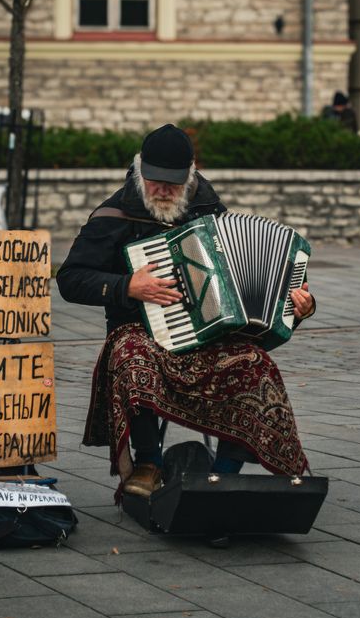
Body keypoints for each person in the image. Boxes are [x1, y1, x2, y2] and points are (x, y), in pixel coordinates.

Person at [56, 123, 316, 498]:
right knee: (131, 354)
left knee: (255, 365)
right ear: (139, 168)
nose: (163, 190)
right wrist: (127, 286)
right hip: (139, 332)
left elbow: (254, 289)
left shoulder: (210, 210)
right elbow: (70, 279)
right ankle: (148, 463)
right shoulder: (115, 215)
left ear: (190, 172)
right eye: (155, 180)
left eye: (172, 183)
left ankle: (222, 475)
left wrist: (301, 307)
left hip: (207, 340)